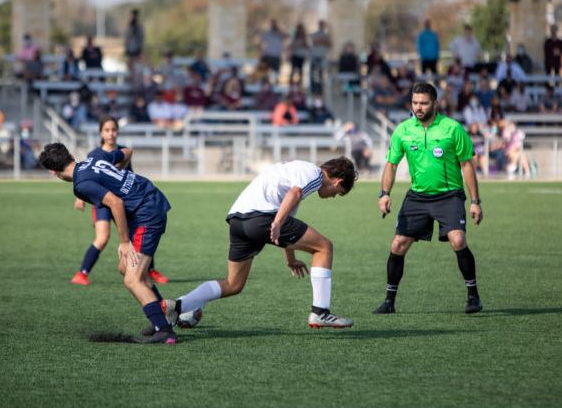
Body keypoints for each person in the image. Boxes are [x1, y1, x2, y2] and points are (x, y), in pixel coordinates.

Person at [162, 158, 357, 331]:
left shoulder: (295, 170)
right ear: (337, 181)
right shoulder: (315, 175)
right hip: (261, 217)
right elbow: (294, 194)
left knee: (233, 284)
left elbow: (288, 209)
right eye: (338, 192)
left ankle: (177, 306)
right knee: (324, 247)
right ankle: (321, 312)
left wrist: (291, 258)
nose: (332, 196)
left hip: (238, 221)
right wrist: (278, 222)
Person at [39, 142, 177, 344]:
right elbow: (128, 151)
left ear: (54, 172)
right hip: (148, 200)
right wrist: (118, 179)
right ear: (69, 156)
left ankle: (164, 330)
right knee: (125, 268)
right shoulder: (93, 160)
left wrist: (124, 241)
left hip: (146, 212)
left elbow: (116, 202)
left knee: (132, 279)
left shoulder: (80, 185)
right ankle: (163, 312)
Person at [374, 82, 484, 315]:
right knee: (398, 245)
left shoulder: (452, 129)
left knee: (458, 240)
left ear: (435, 103)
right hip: (417, 197)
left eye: (423, 103)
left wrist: (475, 201)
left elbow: (467, 165)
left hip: (449, 195)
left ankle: (473, 296)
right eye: (415, 103)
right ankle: (389, 302)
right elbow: (391, 165)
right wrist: (384, 194)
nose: (418, 107)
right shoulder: (403, 130)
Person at [70, 116, 170, 286]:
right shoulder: (95, 155)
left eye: (114, 130)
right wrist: (80, 198)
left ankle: (149, 270)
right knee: (102, 238)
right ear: (101, 133)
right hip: (103, 202)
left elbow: (127, 176)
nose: (111, 133)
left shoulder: (122, 151)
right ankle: (82, 273)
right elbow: (85, 178)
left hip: (121, 201)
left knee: (136, 235)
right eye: (107, 130)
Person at [259, 19, 286, 83]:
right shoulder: (267, 33)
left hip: (276, 56)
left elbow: (286, 36)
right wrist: (261, 52)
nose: (273, 25)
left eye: (274, 23)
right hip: (268, 55)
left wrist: (279, 29)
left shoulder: (279, 33)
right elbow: (260, 42)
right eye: (272, 23)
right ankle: (266, 86)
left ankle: (275, 86)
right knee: (265, 73)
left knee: (276, 74)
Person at [309, 20, 331, 94]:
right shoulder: (314, 34)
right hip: (315, 57)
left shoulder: (326, 35)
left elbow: (329, 44)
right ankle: (313, 89)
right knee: (313, 75)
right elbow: (314, 43)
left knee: (321, 75)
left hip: (322, 57)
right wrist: (322, 42)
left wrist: (322, 41)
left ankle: (320, 90)